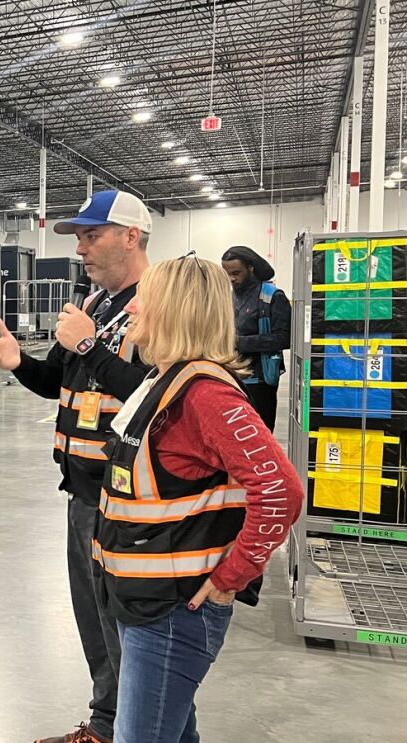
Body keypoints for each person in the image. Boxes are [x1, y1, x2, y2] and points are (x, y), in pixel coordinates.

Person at [99, 256, 302, 742]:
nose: (133, 310)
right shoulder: (164, 380)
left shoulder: (206, 395)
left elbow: (281, 489)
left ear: (172, 309)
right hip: (144, 601)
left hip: (173, 610)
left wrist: (235, 573)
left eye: (144, 298)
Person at [0, 190, 154, 743]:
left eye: (91, 236)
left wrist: (87, 348)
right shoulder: (97, 306)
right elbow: (58, 381)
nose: (80, 249)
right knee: (95, 618)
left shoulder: (160, 304)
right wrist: (18, 364)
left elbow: (162, 398)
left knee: (128, 623)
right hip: (84, 490)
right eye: (77, 238)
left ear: (130, 236)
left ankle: (134, 728)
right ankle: (107, 724)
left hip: (131, 495)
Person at [220, 245, 291, 430]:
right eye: (227, 274)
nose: (232, 279)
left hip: (260, 381)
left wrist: (240, 343)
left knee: (261, 433)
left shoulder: (272, 296)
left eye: (236, 272)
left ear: (251, 268)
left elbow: (285, 337)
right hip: (232, 376)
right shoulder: (230, 297)